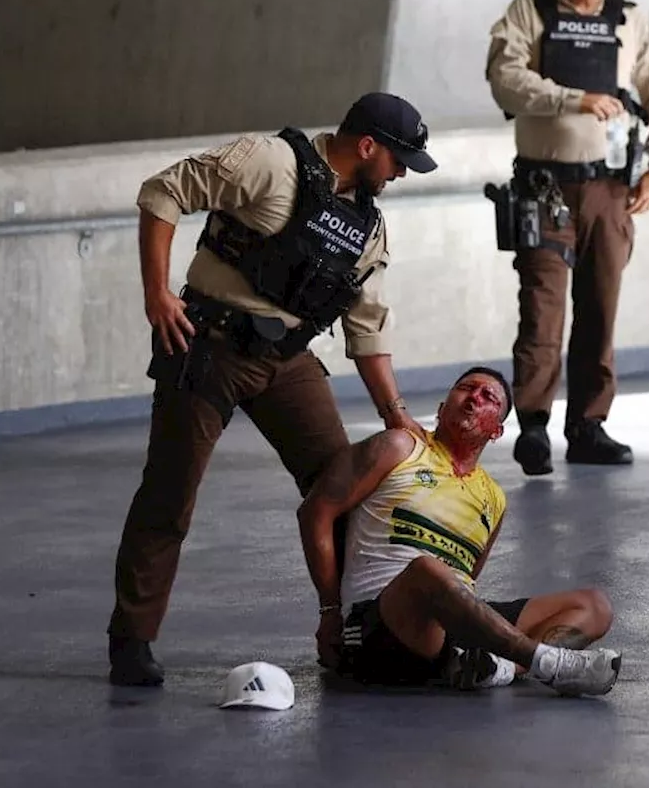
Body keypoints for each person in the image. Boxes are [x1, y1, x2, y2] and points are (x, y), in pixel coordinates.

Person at [107, 92, 436, 687]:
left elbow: (367, 326)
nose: (399, 175)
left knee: (344, 488)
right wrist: (156, 292)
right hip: (207, 345)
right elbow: (163, 191)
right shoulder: (270, 162)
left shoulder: (368, 225)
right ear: (366, 147)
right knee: (169, 496)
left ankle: (354, 631)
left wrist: (397, 416)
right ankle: (132, 638)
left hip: (286, 359)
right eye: (397, 161)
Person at [486, 0, 649, 475]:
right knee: (542, 308)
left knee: (600, 307)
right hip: (543, 185)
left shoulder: (630, 21)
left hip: (609, 187)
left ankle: (589, 425)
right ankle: (532, 426)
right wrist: (573, 99)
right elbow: (506, 78)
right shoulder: (530, 10)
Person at [296, 367, 622, 696]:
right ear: (441, 408)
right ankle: (548, 664)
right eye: (466, 389)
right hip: (378, 625)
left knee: (595, 605)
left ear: (496, 431)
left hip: (446, 629)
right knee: (429, 569)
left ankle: (501, 668)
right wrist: (329, 611)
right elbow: (315, 511)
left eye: (487, 398)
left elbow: (467, 578)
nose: (472, 400)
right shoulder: (399, 447)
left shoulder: (494, 498)